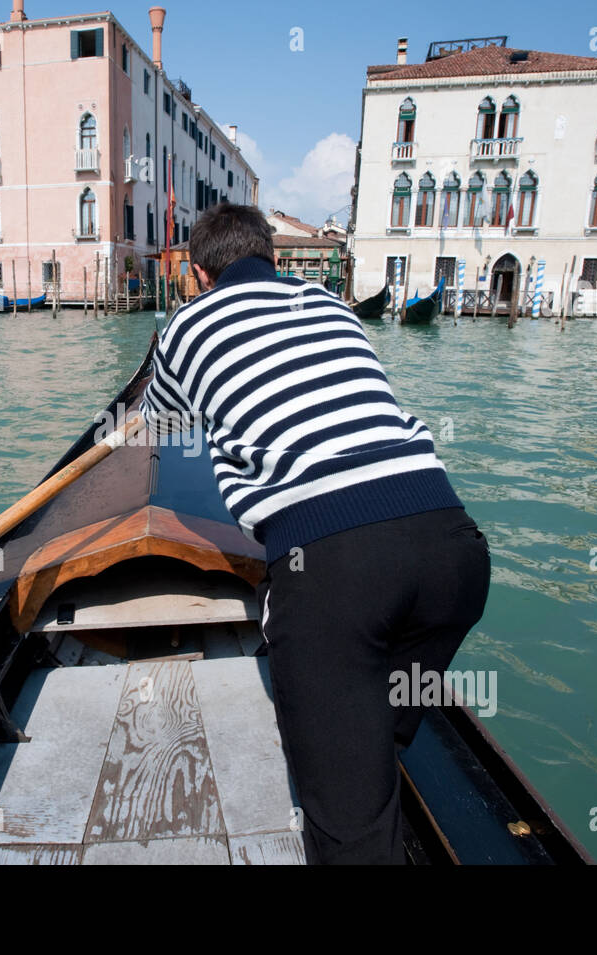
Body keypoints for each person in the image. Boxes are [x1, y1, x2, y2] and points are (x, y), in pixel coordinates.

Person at [137, 203, 490, 864]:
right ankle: (360, 756)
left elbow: (159, 424)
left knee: (349, 833)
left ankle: (351, 784)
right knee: (374, 732)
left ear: (199, 273)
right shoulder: (332, 307)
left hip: (338, 568)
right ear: (273, 258)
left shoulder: (187, 325)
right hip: (454, 554)